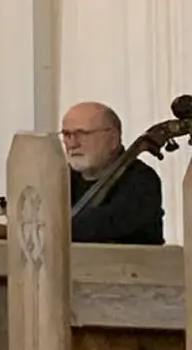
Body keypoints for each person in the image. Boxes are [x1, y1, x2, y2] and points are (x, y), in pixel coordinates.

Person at [63, 101, 163, 245]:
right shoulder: (62, 179)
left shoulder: (141, 180)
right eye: (67, 135)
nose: (72, 144)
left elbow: (103, 225)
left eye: (82, 133)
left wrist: (54, 229)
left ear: (113, 139)